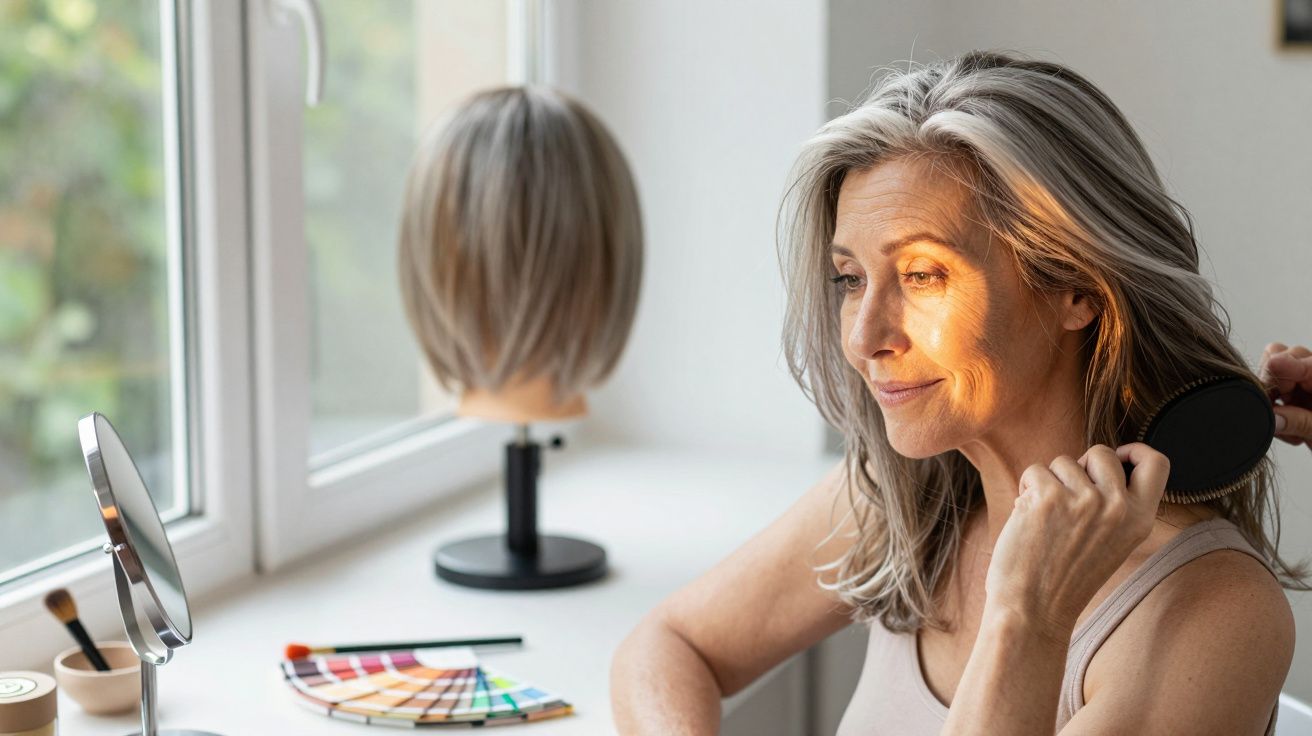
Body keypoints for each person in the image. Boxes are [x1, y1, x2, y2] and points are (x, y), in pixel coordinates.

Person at [610, 50, 1308, 735]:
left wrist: (1027, 616)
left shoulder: (1211, 612)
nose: (864, 338)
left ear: (1077, 288)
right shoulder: (903, 499)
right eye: (850, 279)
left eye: (923, 276)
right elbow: (670, 647)